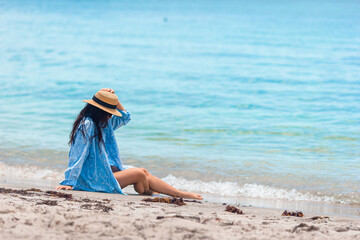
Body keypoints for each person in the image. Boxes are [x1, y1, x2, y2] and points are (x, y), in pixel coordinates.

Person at [56, 88, 202, 200]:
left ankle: (170, 192)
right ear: (100, 111)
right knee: (138, 173)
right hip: (92, 181)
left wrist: (115, 100)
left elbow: (125, 117)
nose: (111, 115)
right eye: (109, 111)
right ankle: (153, 190)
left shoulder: (102, 123)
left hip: (102, 173)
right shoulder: (87, 125)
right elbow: (78, 155)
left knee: (142, 172)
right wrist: (69, 182)